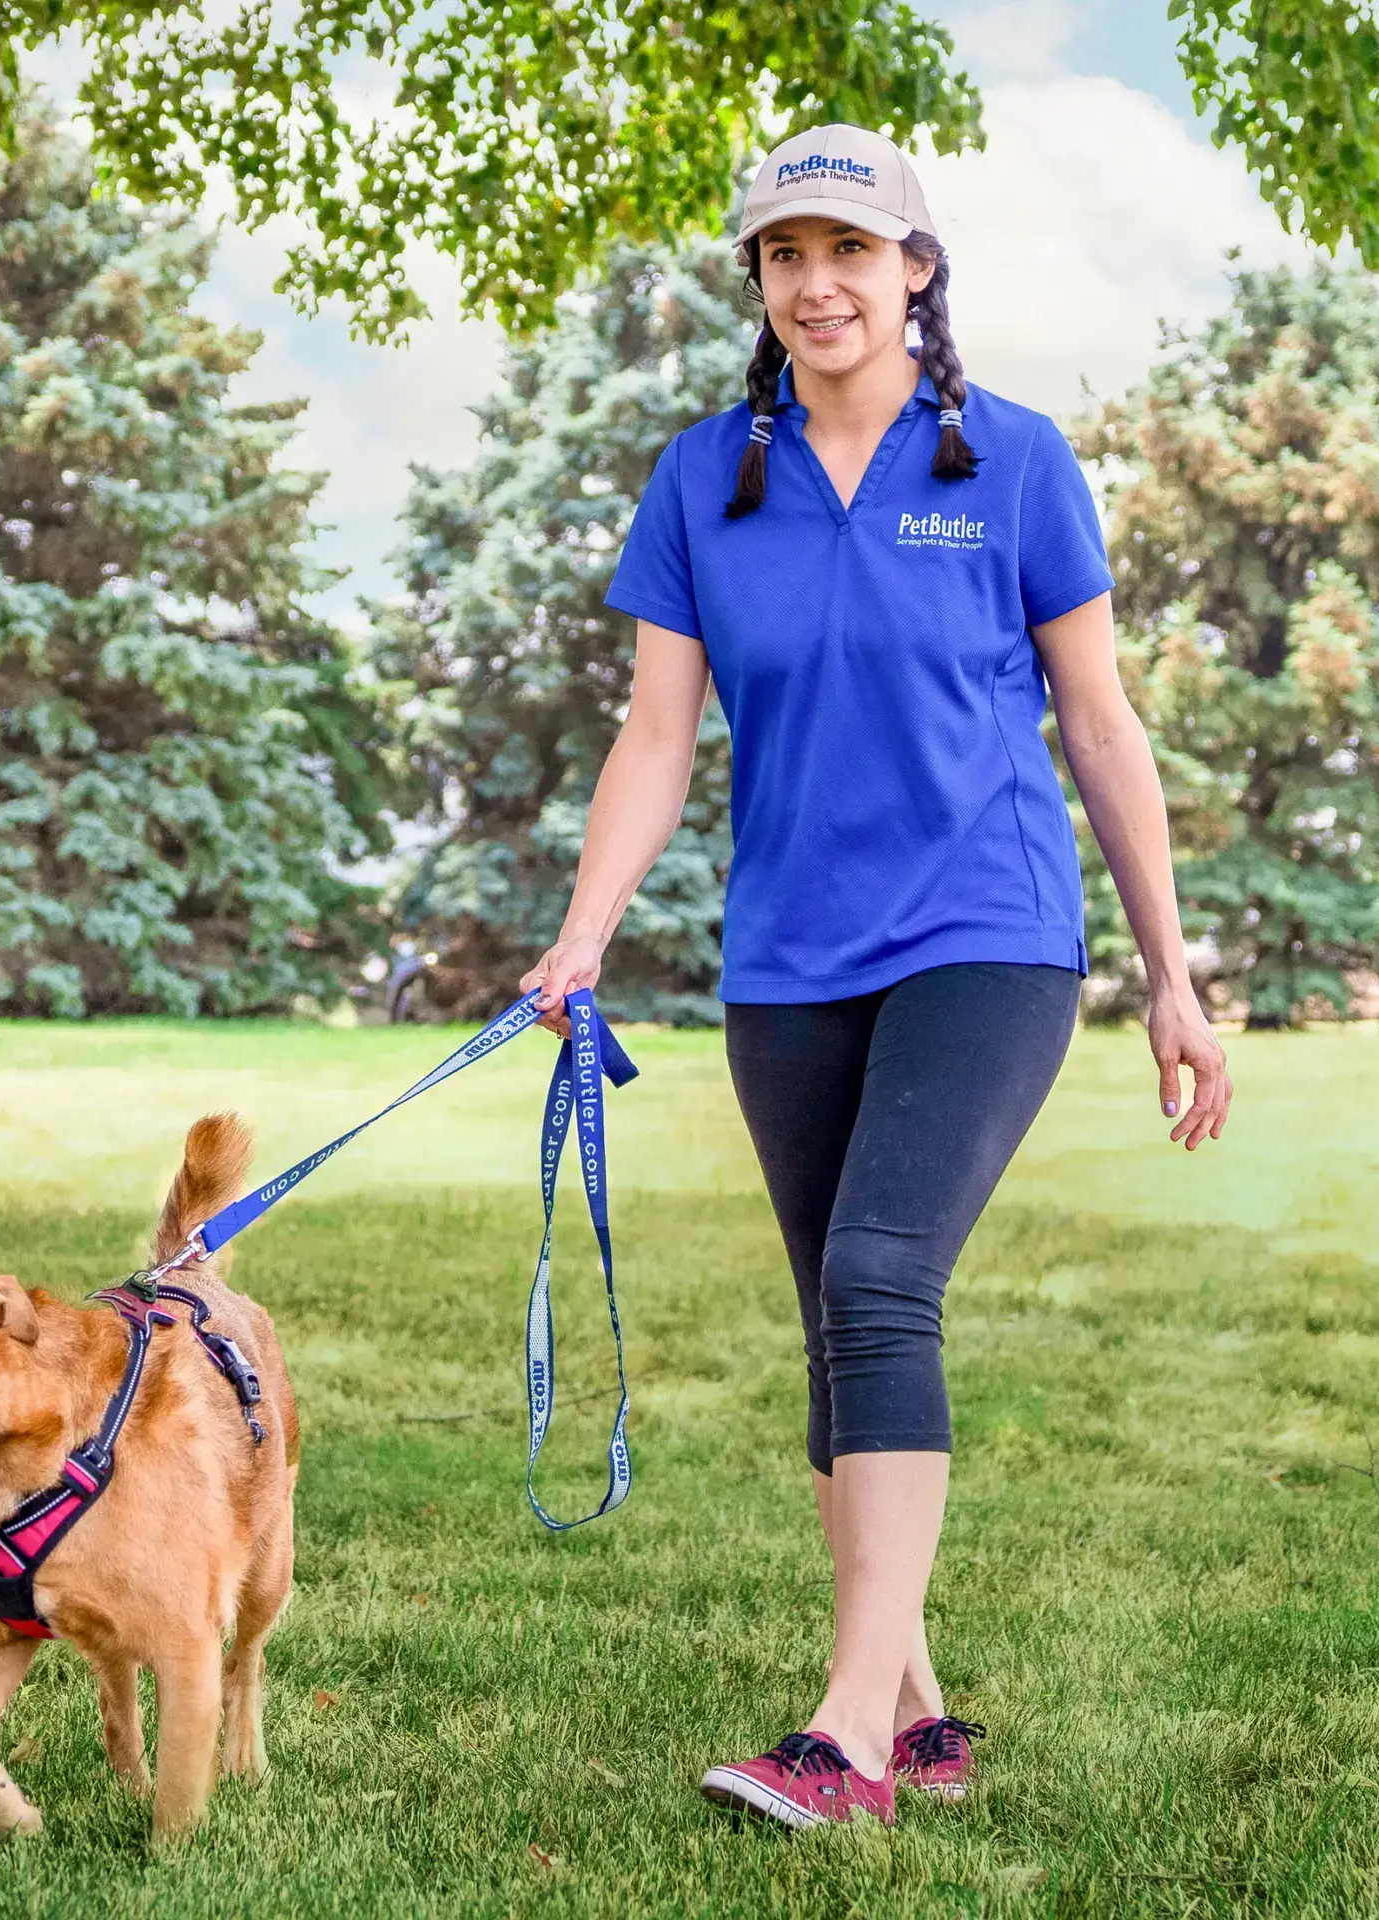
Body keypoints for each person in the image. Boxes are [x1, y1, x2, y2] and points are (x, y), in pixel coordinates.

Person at [521, 123, 1232, 1831]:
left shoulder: (1016, 461)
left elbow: (1101, 722)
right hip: (787, 958)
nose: (817, 283)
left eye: (851, 250)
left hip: (987, 929)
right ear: (760, 287)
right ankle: (917, 1709)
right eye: (785, 256)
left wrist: (1174, 973)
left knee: (883, 1272)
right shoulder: (708, 477)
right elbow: (658, 733)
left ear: (918, 268)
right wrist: (584, 931)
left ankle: (840, 1738)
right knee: (840, 1324)